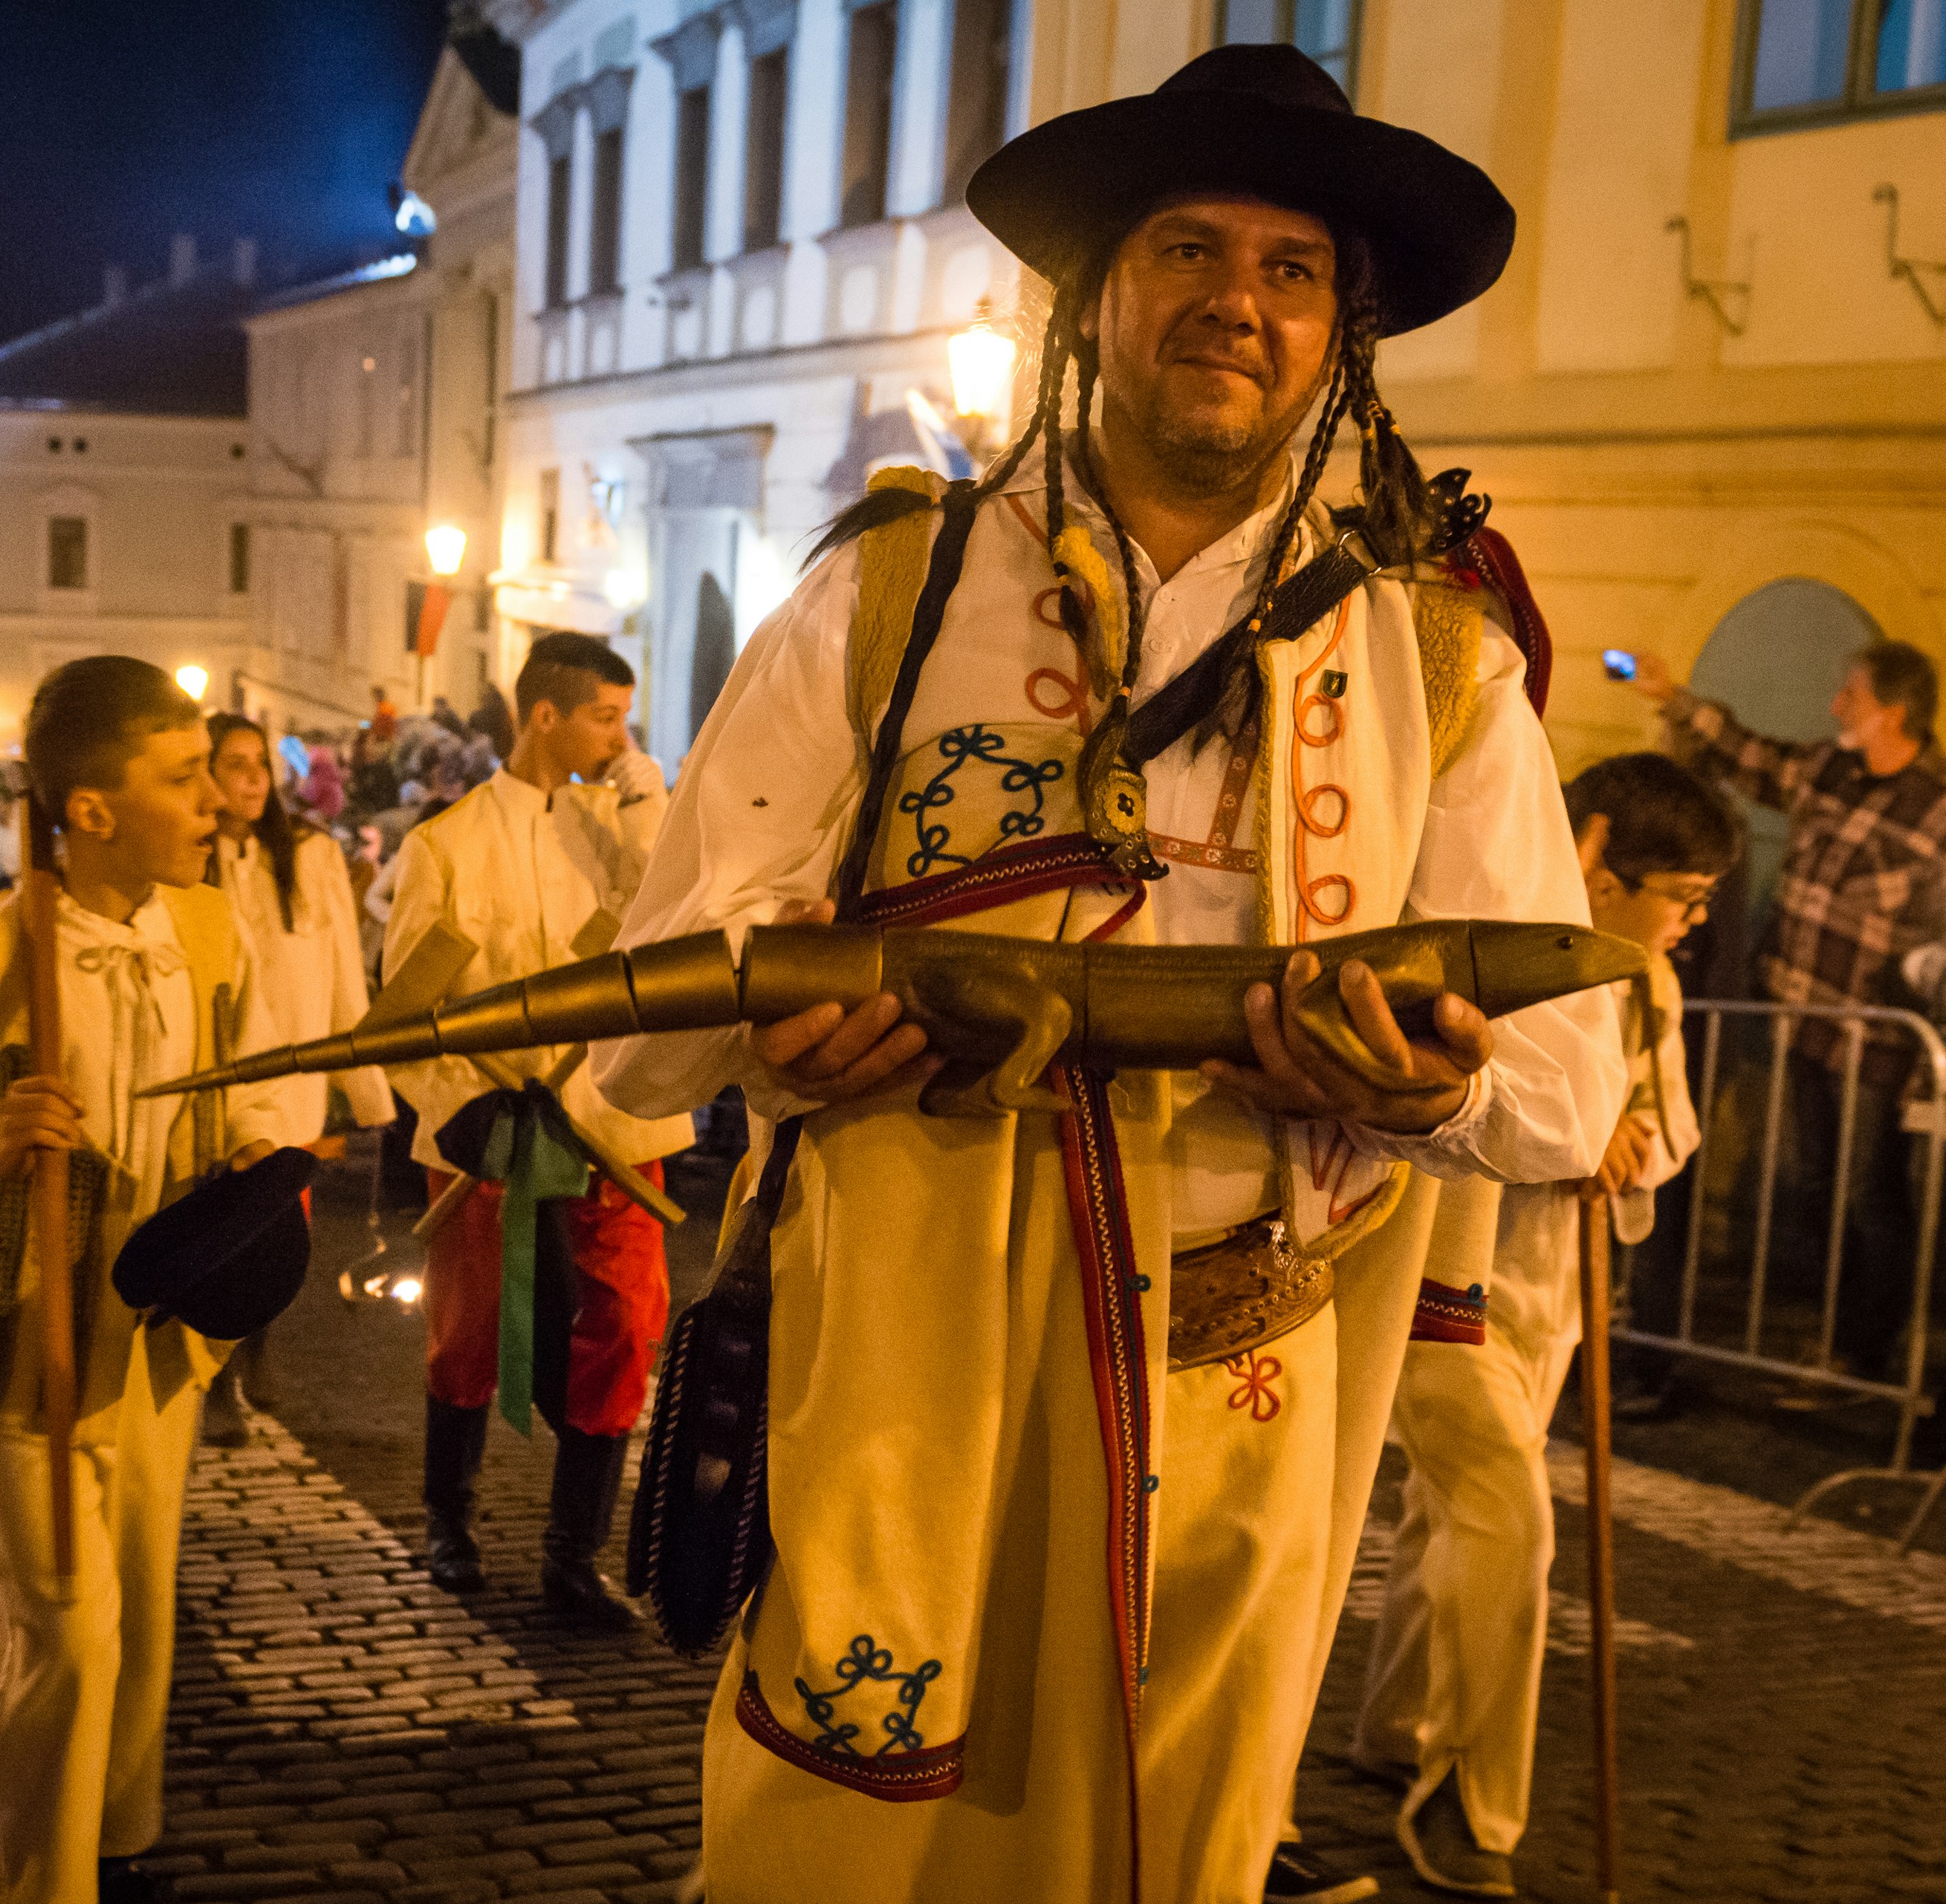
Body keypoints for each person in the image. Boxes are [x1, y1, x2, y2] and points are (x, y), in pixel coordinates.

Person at [592, 46, 1624, 1903]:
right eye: (1185, 248)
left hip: (1244, 1349)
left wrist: (1430, 1085)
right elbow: (663, 984)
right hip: (907, 1327)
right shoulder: (886, 596)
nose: (1235, 301)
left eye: (1290, 269)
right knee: (847, 1820)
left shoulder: (1438, 673)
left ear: (1339, 337)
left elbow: (1565, 1089)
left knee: (1172, 1832)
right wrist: (778, 1036)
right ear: (1094, 298)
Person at [0, 656, 291, 1904]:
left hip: (157, 1332)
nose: (217, 800)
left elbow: (241, 1068)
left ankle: (121, 1833)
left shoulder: (209, 926)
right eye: (186, 776)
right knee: (69, 1623)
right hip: (23, 1340)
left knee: (141, 1605)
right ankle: (48, 1882)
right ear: (90, 810)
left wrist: (250, 1138)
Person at [1349, 753, 1730, 1897]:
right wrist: (1566, 1129)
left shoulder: (1650, 987)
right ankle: (1480, 1808)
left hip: (1552, 1292)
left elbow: (1668, 1133)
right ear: (1602, 854)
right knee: (1508, 1515)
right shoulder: (1491, 935)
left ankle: (1393, 1725)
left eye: (1706, 900)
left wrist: (1622, 1141)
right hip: (1446, 1281)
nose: (1693, 922)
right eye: (1681, 894)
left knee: (1447, 1512)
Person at [383, 632, 684, 1630]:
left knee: (624, 1327)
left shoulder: (632, 831)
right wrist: (453, 1106)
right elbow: (405, 1010)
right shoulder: (445, 844)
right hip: (491, 1123)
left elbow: (684, 915)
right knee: (470, 1326)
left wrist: (649, 811)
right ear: (547, 715)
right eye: (608, 714)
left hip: (613, 1118)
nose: (622, 735)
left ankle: (573, 1552)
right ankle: (450, 1519)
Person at [1624, 640, 1946, 1380]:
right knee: (1824, 1187)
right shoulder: (1832, 770)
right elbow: (1753, 756)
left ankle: (1864, 1357)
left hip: (1874, 1044)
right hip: (1805, 1025)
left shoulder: (1933, 811)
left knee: (1871, 1197)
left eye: (1852, 697)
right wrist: (1672, 697)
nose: (1837, 706)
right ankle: (1833, 1339)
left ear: (1894, 712)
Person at [195, 712, 397, 1444]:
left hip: (295, 1084)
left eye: (259, 763)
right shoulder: (190, 857)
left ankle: (259, 1350)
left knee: (279, 1233)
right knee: (220, 1234)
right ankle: (215, 1374)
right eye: (234, 764)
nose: (252, 778)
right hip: (216, 1080)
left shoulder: (309, 856)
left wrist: (365, 1084)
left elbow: (345, 967)